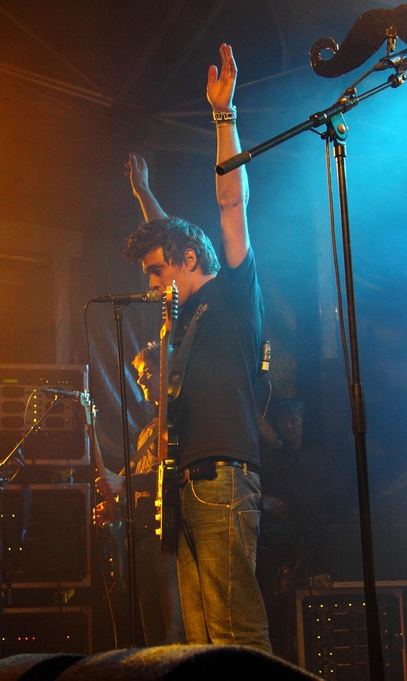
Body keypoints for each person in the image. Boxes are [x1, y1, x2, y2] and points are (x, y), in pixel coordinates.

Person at [119, 43, 271, 652]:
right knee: (202, 641)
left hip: (224, 478)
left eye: (159, 274)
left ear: (189, 262)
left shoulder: (232, 291)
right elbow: (169, 238)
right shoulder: (179, 315)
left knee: (234, 631)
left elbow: (230, 204)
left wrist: (223, 115)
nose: (153, 287)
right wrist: (143, 195)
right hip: (184, 484)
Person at [93, 342, 185, 646]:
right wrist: (115, 505)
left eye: (147, 373)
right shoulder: (147, 431)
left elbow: (169, 476)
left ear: (166, 372)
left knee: (175, 634)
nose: (141, 380)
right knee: (153, 639)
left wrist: (123, 485)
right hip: (142, 542)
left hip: (169, 543)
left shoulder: (178, 421)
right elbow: (138, 479)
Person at [257, 397, 328, 661]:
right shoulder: (268, 459)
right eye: (284, 421)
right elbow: (251, 492)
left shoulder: (316, 456)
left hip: (312, 541)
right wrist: (265, 501)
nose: (290, 426)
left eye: (294, 420)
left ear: (302, 422)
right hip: (280, 547)